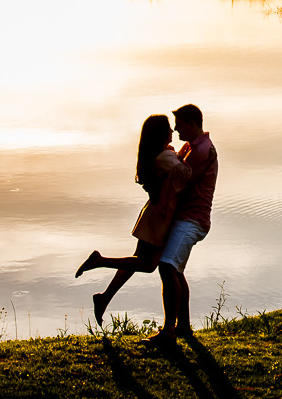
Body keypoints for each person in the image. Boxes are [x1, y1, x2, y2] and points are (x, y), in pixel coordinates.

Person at [75, 114, 184, 324]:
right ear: (161, 133)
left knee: (137, 261)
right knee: (149, 265)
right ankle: (99, 261)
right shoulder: (166, 158)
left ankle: (104, 298)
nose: (172, 131)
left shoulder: (161, 155)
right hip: (160, 219)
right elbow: (186, 175)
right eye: (169, 128)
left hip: (153, 214)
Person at [150, 102, 217, 347]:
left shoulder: (202, 150)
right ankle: (184, 327)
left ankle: (169, 331)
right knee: (175, 271)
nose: (176, 130)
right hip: (185, 217)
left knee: (167, 267)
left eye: (179, 125)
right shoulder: (191, 146)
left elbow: (182, 181)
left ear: (191, 124)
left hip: (192, 219)